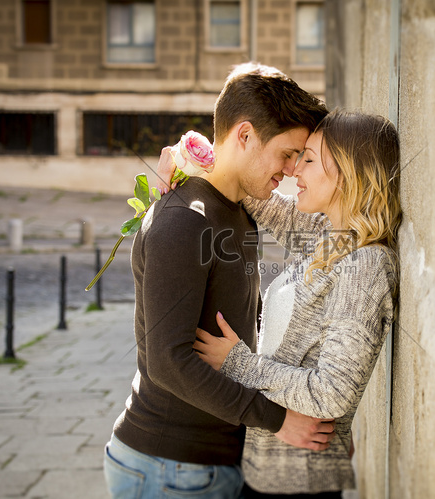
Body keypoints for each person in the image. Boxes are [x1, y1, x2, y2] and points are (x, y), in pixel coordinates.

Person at [103, 63, 333, 499]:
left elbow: (246, 320)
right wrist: (279, 420)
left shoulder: (241, 211)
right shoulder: (183, 220)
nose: (289, 169)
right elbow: (168, 362)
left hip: (212, 464)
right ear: (244, 135)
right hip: (168, 468)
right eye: (287, 153)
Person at [162, 110, 402, 497]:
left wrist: (238, 363)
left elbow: (333, 393)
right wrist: (185, 156)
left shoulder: (366, 263)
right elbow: (257, 195)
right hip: (265, 469)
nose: (294, 171)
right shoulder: (330, 236)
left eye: (307, 158)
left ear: (347, 171)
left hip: (301, 479)